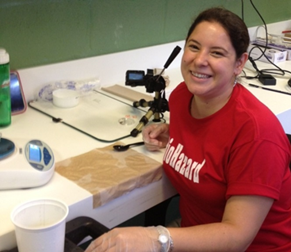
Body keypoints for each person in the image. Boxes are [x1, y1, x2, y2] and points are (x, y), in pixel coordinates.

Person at [85, 7, 291, 252]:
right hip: (195, 235)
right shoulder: (184, 96)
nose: (199, 60)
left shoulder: (257, 133)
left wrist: (154, 238)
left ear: (239, 63)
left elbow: (237, 237)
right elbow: (210, 134)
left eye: (216, 53)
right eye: (194, 47)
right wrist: (171, 130)